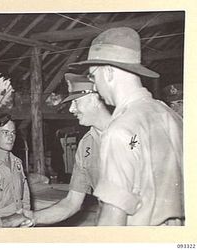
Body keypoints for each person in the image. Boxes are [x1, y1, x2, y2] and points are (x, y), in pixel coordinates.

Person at [69, 27, 184, 226]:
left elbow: (112, 221)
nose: (95, 87)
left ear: (109, 72)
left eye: (93, 76)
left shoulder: (120, 130)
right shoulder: (170, 116)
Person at [22, 73, 111, 226]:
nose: (71, 109)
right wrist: (31, 217)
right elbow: (71, 203)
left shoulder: (132, 132)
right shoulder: (85, 146)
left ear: (94, 99)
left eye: (76, 102)